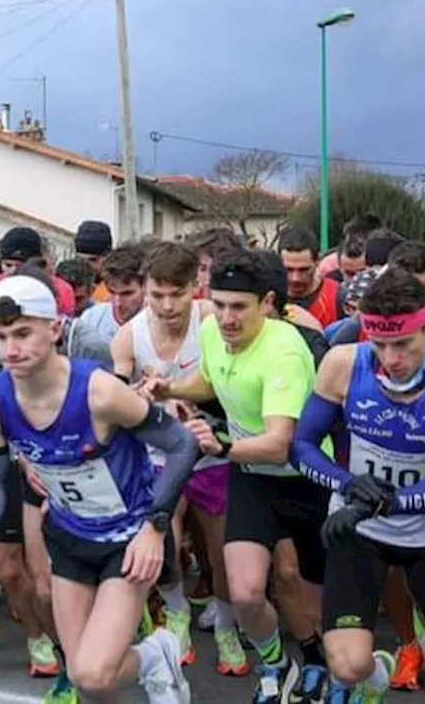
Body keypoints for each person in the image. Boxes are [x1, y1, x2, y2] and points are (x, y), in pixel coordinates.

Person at [0, 273, 196, 703]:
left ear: (55, 329)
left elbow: (182, 444)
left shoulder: (100, 392)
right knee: (85, 678)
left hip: (128, 540)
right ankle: (149, 665)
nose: (10, 350)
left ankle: (155, 656)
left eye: (22, 334)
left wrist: (155, 528)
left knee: (93, 673)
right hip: (71, 537)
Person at [139, 247, 331, 703]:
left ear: (266, 303)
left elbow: (279, 441)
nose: (226, 317)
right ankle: (276, 664)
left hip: (304, 479)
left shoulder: (283, 349)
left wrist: (221, 445)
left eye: (239, 307)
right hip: (251, 474)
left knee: (294, 581)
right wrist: (172, 387)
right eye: (220, 304)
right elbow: (211, 380)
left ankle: (316, 659)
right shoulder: (210, 330)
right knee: (245, 593)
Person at [292, 267, 425, 703]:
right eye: (379, 343)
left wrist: (378, 504)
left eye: (403, 344)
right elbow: (302, 447)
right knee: (346, 665)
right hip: (358, 529)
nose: (391, 358)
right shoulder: (344, 363)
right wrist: (347, 484)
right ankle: (376, 675)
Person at [111, 241, 244, 674]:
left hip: (211, 455)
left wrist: (202, 409)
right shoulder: (129, 335)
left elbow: (238, 381)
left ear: (196, 287)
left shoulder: (212, 320)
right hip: (158, 457)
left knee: (223, 554)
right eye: (157, 295)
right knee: (163, 544)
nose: (167, 306)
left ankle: (226, 625)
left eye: (177, 294)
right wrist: (137, 397)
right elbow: (113, 402)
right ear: (146, 291)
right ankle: (178, 613)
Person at [79, 243, 146, 345]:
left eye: (127, 294)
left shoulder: (159, 325)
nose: (118, 303)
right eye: (112, 292)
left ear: (145, 288)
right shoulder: (91, 318)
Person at [279, 225, 340, 330]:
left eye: (304, 270)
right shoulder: (265, 296)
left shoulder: (337, 297)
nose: (295, 278)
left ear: (318, 261)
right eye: (289, 269)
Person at [74, 219, 114, 303]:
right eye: (80, 260)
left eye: (93, 260)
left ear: (108, 256)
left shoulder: (117, 289)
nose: (86, 266)